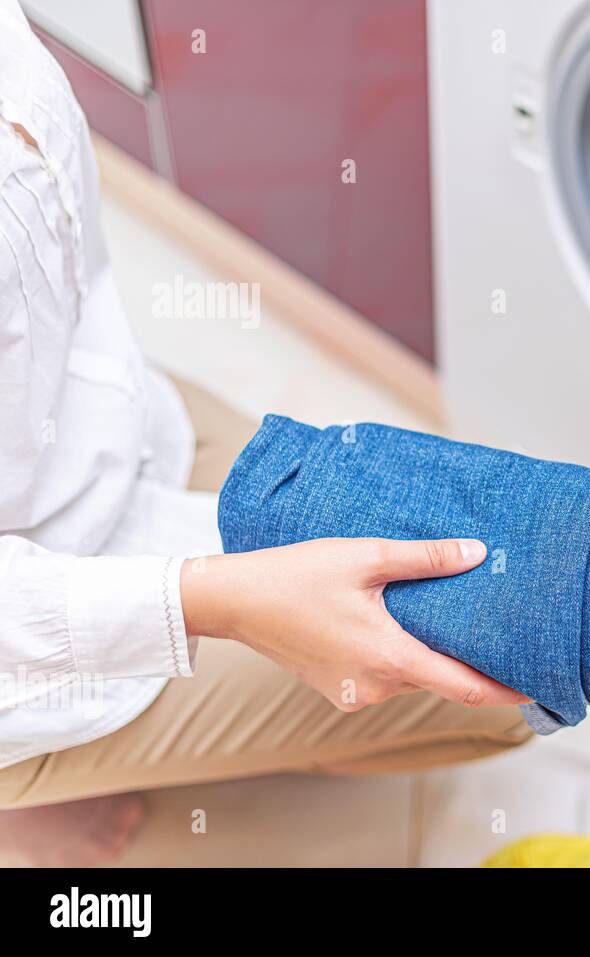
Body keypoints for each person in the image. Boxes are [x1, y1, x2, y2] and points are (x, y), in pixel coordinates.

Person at [0, 0, 530, 866]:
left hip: (104, 432)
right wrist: (227, 603)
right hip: (24, 647)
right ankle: (24, 790)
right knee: (504, 689)